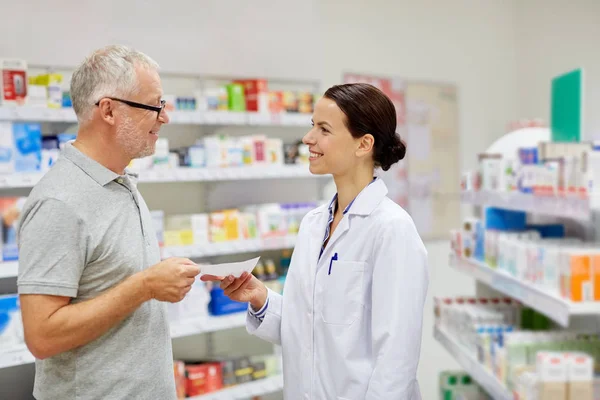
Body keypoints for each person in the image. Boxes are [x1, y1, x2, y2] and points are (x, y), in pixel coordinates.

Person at [202, 83, 429, 399]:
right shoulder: (313, 225)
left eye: (324, 129)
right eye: (312, 127)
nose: (308, 139)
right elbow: (309, 327)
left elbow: (397, 358)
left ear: (363, 144)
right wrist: (261, 298)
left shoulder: (391, 230)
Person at [17, 45, 200, 400]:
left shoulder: (120, 182)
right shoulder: (60, 202)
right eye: (154, 105)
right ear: (109, 110)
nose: (165, 118)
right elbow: (42, 336)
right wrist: (145, 286)